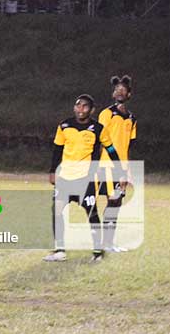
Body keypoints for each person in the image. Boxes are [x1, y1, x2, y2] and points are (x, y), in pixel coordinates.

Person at [44, 95, 123, 263]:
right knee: (56, 211)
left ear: (91, 110)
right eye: (78, 105)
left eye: (85, 106)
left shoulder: (98, 128)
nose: (81, 109)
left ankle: (97, 252)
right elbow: (57, 150)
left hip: (85, 180)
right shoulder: (65, 125)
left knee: (91, 213)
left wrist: (120, 172)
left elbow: (111, 150)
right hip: (64, 178)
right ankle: (59, 250)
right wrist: (52, 171)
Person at [98, 75, 137, 253]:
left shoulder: (131, 118)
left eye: (123, 90)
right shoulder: (107, 114)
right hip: (108, 165)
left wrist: (128, 170)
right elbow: (99, 140)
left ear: (129, 94)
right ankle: (105, 243)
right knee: (112, 202)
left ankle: (109, 243)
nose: (120, 92)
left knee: (117, 203)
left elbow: (128, 147)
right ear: (113, 94)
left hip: (122, 168)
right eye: (117, 90)